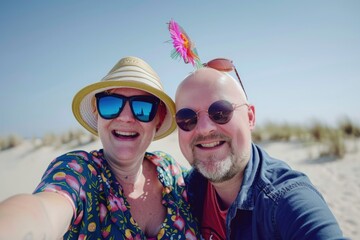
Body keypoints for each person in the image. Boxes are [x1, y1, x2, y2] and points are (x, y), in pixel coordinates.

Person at [0, 56, 200, 239]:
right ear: (97, 113)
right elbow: (42, 212)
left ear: (159, 119)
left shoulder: (171, 172)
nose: (125, 117)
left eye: (143, 107)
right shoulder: (78, 172)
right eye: (111, 104)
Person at [174, 58, 345, 239]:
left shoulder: (284, 200)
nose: (204, 128)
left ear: (250, 118)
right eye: (187, 118)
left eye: (220, 112)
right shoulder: (186, 189)